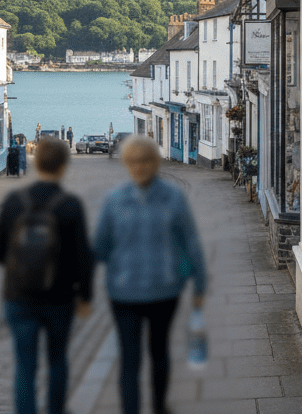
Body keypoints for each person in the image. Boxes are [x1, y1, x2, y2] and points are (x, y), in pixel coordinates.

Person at [94, 136, 207, 414]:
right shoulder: (114, 200)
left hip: (163, 290)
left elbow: (190, 241)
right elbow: (99, 246)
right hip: (124, 293)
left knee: (159, 354)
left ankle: (159, 406)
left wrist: (199, 284)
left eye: (145, 161)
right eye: (133, 161)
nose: (140, 167)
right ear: (126, 164)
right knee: (130, 359)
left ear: (155, 163)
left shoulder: (174, 197)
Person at [0, 138, 93, 414]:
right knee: (57, 360)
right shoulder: (70, 205)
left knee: (25, 365)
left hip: (19, 297)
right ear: (63, 166)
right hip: (59, 298)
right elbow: (83, 257)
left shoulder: (14, 202)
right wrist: (85, 296)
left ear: (36, 163)